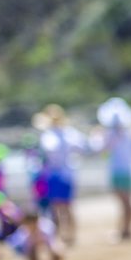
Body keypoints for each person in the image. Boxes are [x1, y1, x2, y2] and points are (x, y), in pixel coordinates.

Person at [33, 104, 87, 246]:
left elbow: (47, 154)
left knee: (57, 207)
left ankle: (60, 235)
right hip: (67, 173)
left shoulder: (49, 136)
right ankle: (69, 235)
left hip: (55, 174)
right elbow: (82, 148)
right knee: (66, 207)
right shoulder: (69, 133)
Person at [95, 97, 131, 241]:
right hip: (127, 169)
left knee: (124, 202)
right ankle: (127, 228)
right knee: (127, 201)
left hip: (117, 170)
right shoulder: (128, 132)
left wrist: (97, 136)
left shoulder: (112, 134)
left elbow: (102, 150)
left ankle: (124, 230)